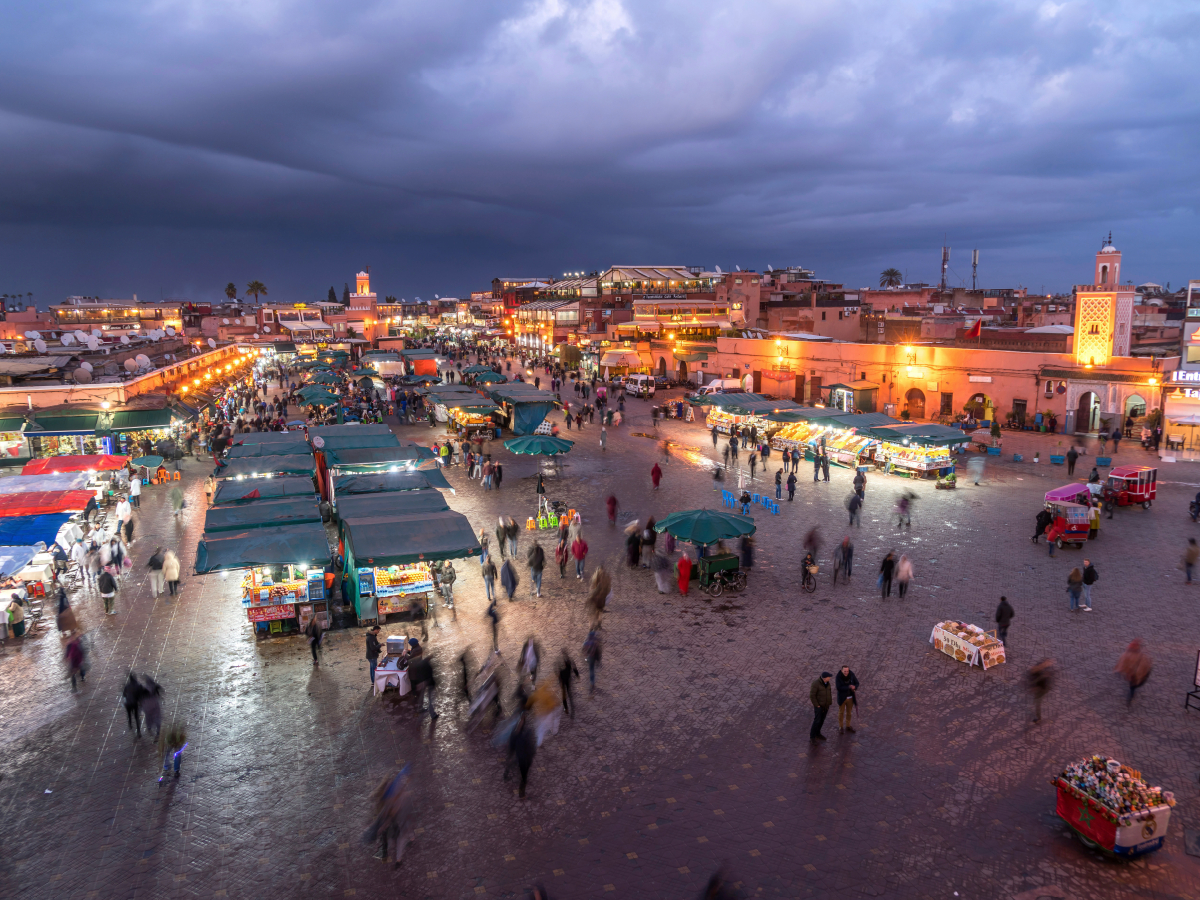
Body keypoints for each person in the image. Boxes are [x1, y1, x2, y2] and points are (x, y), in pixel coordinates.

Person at [1115, 639, 1152, 707]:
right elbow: (1146, 666)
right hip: (1136, 676)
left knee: (1132, 686)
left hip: (1133, 675)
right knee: (1133, 686)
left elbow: (1122, 662)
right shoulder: (1142, 656)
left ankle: (1131, 695)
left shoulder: (1127, 654)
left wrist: (1120, 670)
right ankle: (1131, 695)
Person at [409, 652, 438, 720]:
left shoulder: (419, 664)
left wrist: (418, 683)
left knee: (421, 695)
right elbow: (430, 674)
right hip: (428, 682)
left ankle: (420, 708)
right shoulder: (427, 664)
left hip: (421, 682)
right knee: (431, 698)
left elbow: (417, 674)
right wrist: (433, 683)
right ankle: (432, 714)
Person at [1027, 659, 1054, 724]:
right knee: (1037, 701)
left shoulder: (1044, 673)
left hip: (1042, 690)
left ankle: (1039, 718)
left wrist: (1035, 687)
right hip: (1040, 687)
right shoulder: (1038, 671)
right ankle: (1038, 716)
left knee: (1037, 703)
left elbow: (1043, 684)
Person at [835, 665, 859, 734]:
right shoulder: (838, 677)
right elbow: (838, 687)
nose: (846, 673)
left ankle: (848, 726)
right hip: (842, 698)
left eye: (847, 671)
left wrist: (855, 687)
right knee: (841, 712)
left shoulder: (851, 675)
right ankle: (841, 727)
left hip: (850, 698)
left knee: (849, 712)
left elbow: (857, 683)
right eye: (845, 671)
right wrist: (848, 687)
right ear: (842, 670)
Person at [809, 671, 833, 741]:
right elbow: (812, 696)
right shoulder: (816, 684)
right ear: (825, 678)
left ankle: (818, 733)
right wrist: (817, 705)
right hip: (819, 707)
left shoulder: (828, 684)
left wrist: (829, 702)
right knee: (817, 721)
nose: (830, 678)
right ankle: (812, 737)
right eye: (829, 677)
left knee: (822, 720)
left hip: (826, 706)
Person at [558, 650, 579, 718]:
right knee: (567, 695)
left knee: (567, 695)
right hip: (565, 681)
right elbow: (574, 668)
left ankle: (566, 708)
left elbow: (574, 668)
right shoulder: (567, 664)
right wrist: (577, 675)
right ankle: (566, 708)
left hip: (566, 681)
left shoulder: (567, 664)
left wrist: (577, 674)